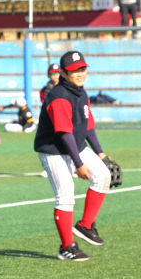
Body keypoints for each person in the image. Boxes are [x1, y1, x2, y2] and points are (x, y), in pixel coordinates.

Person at [34, 51, 111, 261]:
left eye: (82, 69)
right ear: (64, 73)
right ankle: (67, 247)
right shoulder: (58, 96)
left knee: (104, 176)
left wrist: (100, 153)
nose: (80, 73)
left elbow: (88, 127)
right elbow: (63, 132)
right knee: (66, 194)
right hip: (53, 149)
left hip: (75, 145)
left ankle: (85, 226)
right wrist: (78, 164)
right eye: (74, 70)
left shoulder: (81, 93)